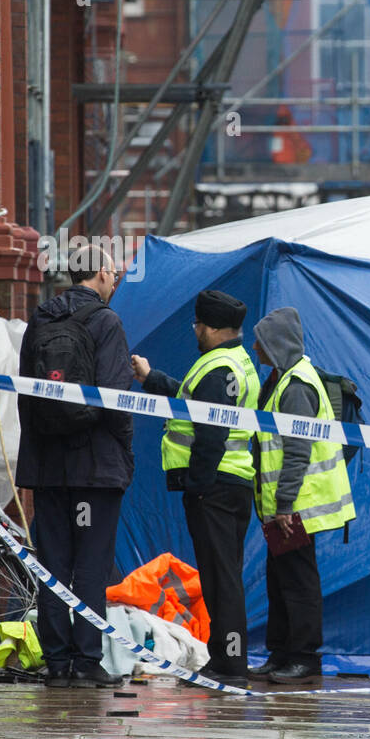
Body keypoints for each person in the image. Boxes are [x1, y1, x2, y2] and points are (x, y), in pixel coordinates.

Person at [16, 246, 131, 688]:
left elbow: (26, 394)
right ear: (100, 274)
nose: (116, 279)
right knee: (91, 565)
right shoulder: (106, 322)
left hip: (47, 468)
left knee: (53, 565)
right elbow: (116, 399)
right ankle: (87, 661)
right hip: (95, 467)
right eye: (114, 272)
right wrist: (124, 454)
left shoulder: (39, 320)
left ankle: (57, 663)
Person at [131, 290, 260, 686]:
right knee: (224, 576)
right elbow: (192, 404)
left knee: (223, 580)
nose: (196, 330)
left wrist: (199, 486)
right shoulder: (234, 362)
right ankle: (224, 658)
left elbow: (211, 435)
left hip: (215, 487)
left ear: (217, 329)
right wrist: (153, 379)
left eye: (200, 325)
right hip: (231, 483)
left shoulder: (217, 369)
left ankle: (231, 664)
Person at [248, 307, 356, 685]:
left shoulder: (295, 386)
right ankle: (281, 653)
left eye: (261, 341)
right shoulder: (281, 379)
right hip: (285, 505)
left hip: (297, 506)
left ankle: (305, 658)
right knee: (280, 580)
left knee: (298, 583)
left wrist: (284, 506)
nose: (255, 347)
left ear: (276, 344)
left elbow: (296, 451)